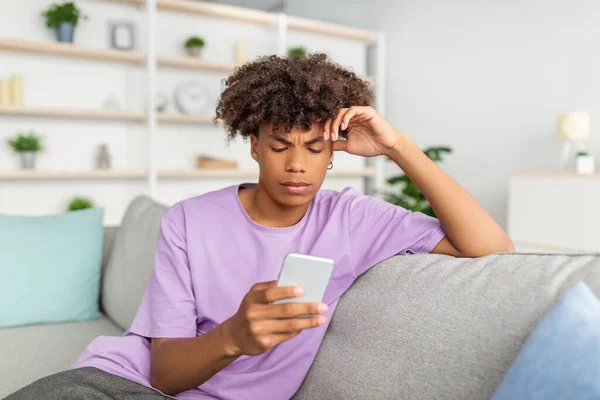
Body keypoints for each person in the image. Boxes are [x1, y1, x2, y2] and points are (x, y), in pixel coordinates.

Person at [6, 53, 513, 400]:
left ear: (333, 152)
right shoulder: (188, 220)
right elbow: (163, 373)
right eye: (278, 146)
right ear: (253, 146)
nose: (297, 165)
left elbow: (494, 248)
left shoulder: (355, 219)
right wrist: (233, 337)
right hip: (121, 383)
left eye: (315, 148)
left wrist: (396, 146)